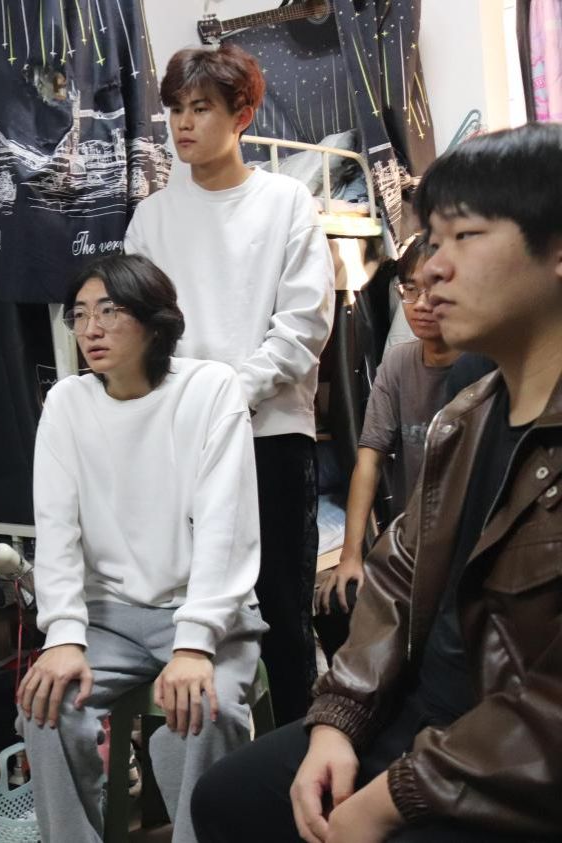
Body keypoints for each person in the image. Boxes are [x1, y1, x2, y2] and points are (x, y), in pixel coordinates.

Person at [191, 122, 562, 843]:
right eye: (432, 240)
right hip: (419, 718)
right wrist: (339, 718)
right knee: (228, 797)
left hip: (509, 760)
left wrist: (398, 793)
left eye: (465, 236)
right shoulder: (467, 416)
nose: (432, 269)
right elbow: (397, 578)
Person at [16, 254, 267, 843]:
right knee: (43, 708)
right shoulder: (67, 403)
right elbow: (56, 529)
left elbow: (224, 527)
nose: (91, 329)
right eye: (80, 315)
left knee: (202, 714)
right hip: (109, 617)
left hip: (204, 608)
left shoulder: (210, 389)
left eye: (109, 311)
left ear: (155, 323)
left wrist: (195, 642)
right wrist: (63, 635)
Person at [124, 44, 335, 725]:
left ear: (242, 115)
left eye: (201, 108)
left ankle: (299, 757)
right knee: (194, 613)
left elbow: (304, 325)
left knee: (282, 613)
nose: (183, 124)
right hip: (181, 446)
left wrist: (227, 394)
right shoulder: (153, 218)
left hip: (270, 438)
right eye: (175, 110)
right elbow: (138, 332)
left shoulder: (286, 201)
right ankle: (215, 765)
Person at [313, 237, 460, 655]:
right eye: (410, 290)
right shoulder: (398, 363)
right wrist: (351, 556)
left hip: (458, 551)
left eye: (433, 290)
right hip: (406, 544)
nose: (420, 304)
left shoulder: (482, 367)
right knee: (335, 601)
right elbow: (369, 458)